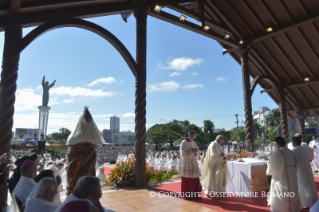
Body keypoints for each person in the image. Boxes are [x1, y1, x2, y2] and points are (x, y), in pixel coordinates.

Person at [266, 136, 301, 212]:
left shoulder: (278, 154)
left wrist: (270, 157)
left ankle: (281, 209)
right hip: (292, 179)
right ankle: (293, 208)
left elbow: (271, 169)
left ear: (277, 144)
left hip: (281, 180)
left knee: (282, 195)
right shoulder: (291, 152)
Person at [291, 137, 318, 208]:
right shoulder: (304, 149)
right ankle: (313, 200)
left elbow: (292, 162)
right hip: (307, 170)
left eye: (292, 142)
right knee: (309, 184)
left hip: (300, 171)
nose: (292, 144)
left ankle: (306, 203)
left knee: (303, 186)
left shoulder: (294, 151)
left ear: (295, 143)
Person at [178, 130, 202, 199]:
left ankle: (195, 194)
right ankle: (187, 195)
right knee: (188, 180)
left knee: (195, 179)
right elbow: (183, 154)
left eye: (195, 136)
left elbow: (196, 150)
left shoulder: (194, 142)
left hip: (193, 162)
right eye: (193, 136)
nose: (194, 137)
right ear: (189, 135)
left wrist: (197, 151)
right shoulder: (184, 142)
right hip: (187, 163)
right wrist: (192, 151)